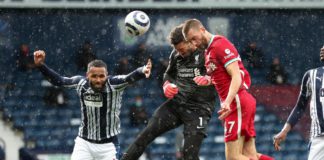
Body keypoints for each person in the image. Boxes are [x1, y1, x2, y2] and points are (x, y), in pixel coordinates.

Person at [121, 24, 217, 160]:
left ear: (190, 41)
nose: (180, 53)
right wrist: (166, 84)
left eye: (182, 50)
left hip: (199, 109)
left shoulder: (208, 52)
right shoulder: (176, 54)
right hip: (177, 105)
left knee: (189, 154)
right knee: (144, 136)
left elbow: (225, 75)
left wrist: (209, 79)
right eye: (178, 50)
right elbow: (168, 74)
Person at [33, 50, 152, 160]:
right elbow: (59, 81)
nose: (98, 80)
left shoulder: (114, 84)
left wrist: (142, 70)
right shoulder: (81, 83)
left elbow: (129, 77)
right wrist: (41, 66)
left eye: (101, 76)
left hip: (108, 146)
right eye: (94, 76)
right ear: (87, 75)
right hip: (84, 143)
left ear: (107, 75)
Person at [182, 19, 273, 160]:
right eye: (190, 41)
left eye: (194, 38)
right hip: (240, 102)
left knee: (233, 157)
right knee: (250, 156)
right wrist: (208, 80)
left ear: (202, 29)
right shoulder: (208, 52)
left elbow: (236, 76)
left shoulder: (220, 45)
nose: (194, 43)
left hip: (237, 102)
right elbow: (223, 77)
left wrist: (227, 102)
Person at [273, 46, 324, 160]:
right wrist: (284, 130)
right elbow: (300, 107)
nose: (322, 48)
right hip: (319, 139)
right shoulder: (311, 75)